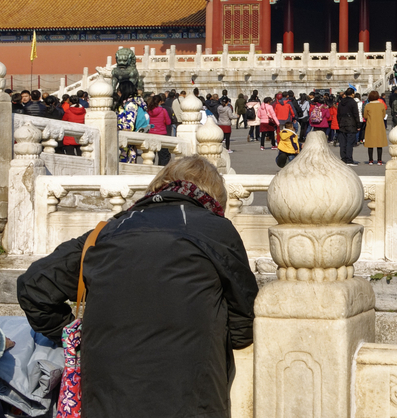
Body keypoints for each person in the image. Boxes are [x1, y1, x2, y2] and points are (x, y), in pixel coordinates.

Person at [17, 157, 257, 418]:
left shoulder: (109, 230)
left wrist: (80, 337)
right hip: (192, 399)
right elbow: (244, 325)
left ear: (159, 186)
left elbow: (34, 288)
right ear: (215, 197)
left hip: (106, 399)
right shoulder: (218, 231)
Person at [337, 89, 361, 166]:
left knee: (343, 142)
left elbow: (338, 114)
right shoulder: (352, 102)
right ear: (352, 94)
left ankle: (343, 158)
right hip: (351, 123)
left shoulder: (341, 102)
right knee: (349, 143)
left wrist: (339, 122)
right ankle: (349, 159)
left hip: (342, 123)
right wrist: (358, 125)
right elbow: (356, 114)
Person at [363, 90, 388, 165]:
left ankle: (370, 160)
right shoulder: (381, 105)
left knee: (370, 144)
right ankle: (379, 160)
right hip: (379, 125)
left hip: (370, 125)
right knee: (379, 144)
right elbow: (384, 115)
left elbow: (365, 116)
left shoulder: (368, 105)